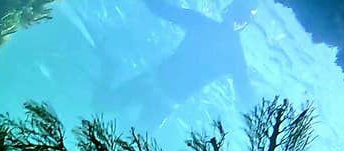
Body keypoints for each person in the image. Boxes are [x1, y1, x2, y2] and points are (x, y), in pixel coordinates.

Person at [96, 0, 258, 129]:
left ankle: (110, 67)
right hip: (164, 101)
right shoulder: (235, 57)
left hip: (153, 84)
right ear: (245, 22)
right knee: (129, 140)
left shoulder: (202, 24)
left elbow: (161, 9)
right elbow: (245, 95)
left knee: (102, 104)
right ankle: (110, 67)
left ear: (228, 8)